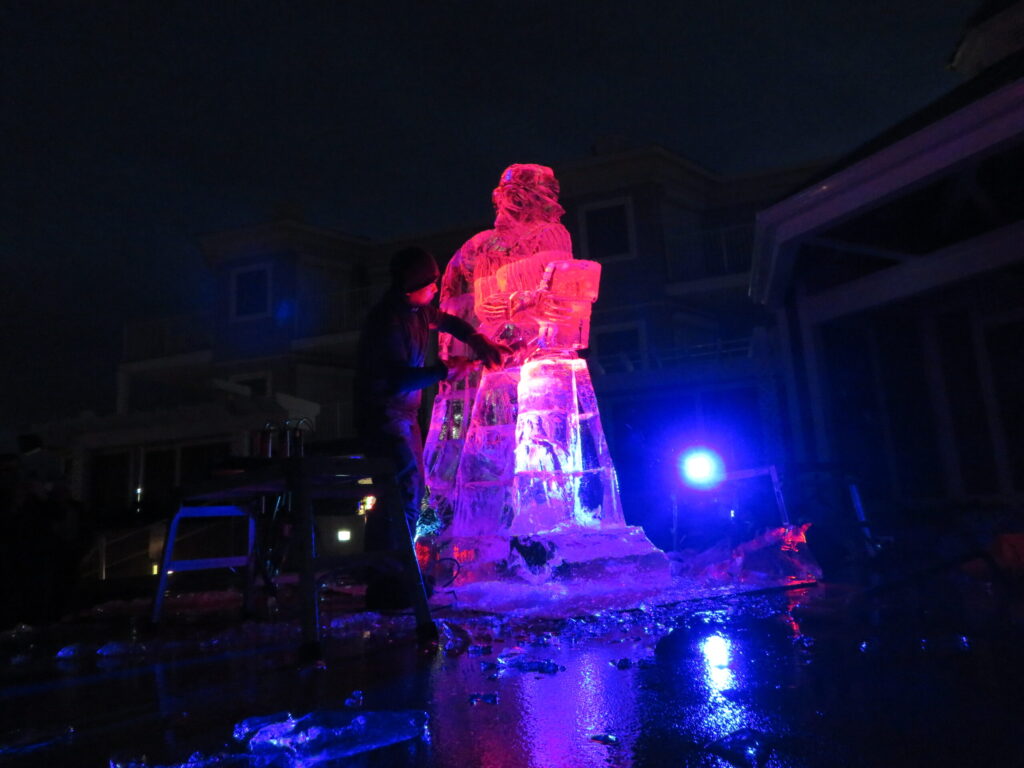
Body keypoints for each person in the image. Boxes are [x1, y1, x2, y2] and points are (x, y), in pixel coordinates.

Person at [354, 246, 507, 606]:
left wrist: (474, 338)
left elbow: (447, 321)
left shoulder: (418, 312)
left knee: (409, 492)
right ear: (412, 286)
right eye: (431, 284)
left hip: (404, 416)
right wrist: (444, 370)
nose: (436, 290)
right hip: (383, 416)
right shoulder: (388, 321)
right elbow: (395, 380)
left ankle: (391, 574)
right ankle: (388, 580)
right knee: (401, 495)